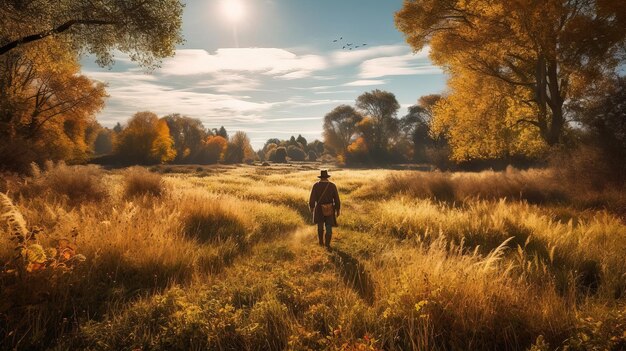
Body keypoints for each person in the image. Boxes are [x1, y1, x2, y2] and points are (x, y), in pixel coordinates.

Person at [308, 169, 340, 248]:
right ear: (327, 177)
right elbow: (336, 199)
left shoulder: (316, 185)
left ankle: (321, 242)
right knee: (328, 226)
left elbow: (312, 198)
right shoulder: (332, 185)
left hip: (319, 209)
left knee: (320, 225)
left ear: (321, 177)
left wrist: (312, 207)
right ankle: (327, 244)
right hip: (330, 208)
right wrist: (337, 209)